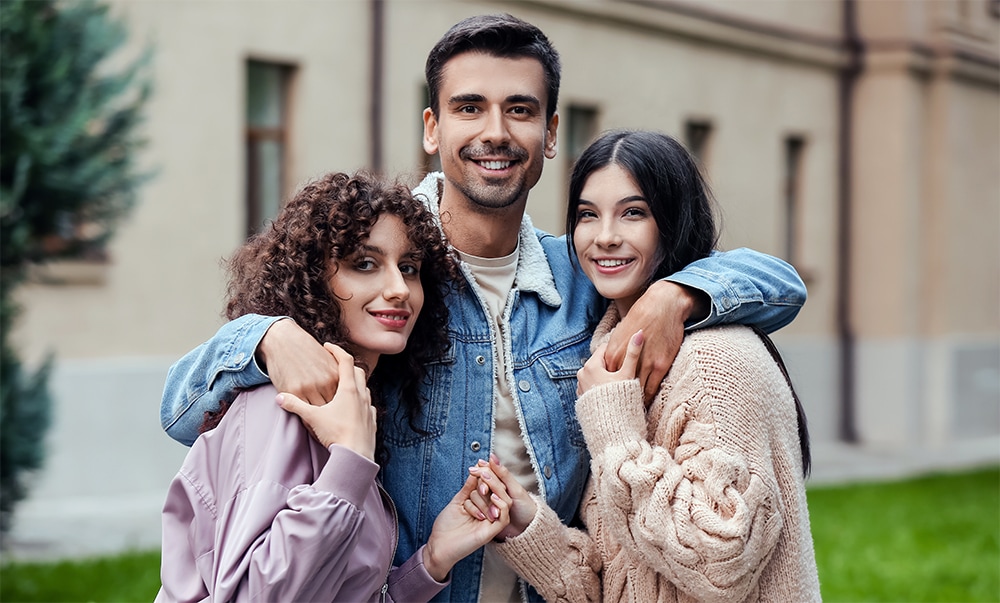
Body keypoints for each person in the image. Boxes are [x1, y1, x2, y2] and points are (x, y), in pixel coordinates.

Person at [159, 14, 808, 602]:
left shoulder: (583, 280)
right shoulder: (387, 281)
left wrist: (679, 293)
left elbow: (779, 283)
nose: (495, 132)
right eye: (470, 107)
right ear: (432, 128)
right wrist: (264, 334)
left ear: (550, 134)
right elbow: (182, 411)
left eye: (520, 110)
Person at [469, 130, 820, 602]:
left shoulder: (717, 361)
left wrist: (615, 429)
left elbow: (721, 563)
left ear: (672, 222)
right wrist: (529, 528)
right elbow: (633, 578)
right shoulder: (607, 348)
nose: (605, 237)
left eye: (633, 213)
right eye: (587, 216)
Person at [155, 171, 514, 602]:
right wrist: (350, 460)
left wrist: (432, 560)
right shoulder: (281, 407)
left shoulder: (352, 404)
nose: (398, 289)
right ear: (314, 281)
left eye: (409, 268)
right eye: (364, 264)